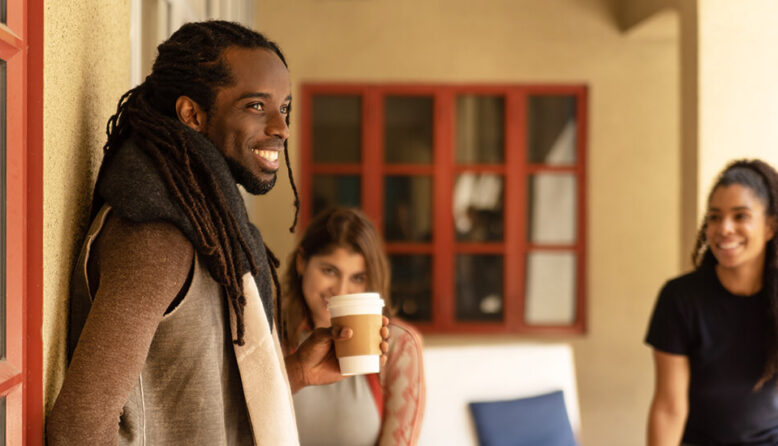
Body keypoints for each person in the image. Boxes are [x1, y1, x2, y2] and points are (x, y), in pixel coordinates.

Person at [47, 21, 387, 445]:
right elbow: (78, 431)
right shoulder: (156, 238)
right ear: (193, 115)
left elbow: (198, 408)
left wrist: (297, 371)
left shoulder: (208, 228)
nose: (281, 128)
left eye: (283, 108)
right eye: (256, 106)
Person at [646, 159, 778, 445]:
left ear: (770, 226)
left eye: (740, 216)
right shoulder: (679, 299)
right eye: (715, 217)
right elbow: (669, 408)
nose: (724, 228)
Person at [282, 207, 425, 446]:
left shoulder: (398, 346)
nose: (340, 291)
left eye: (358, 277)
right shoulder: (268, 335)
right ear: (301, 263)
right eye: (329, 271)